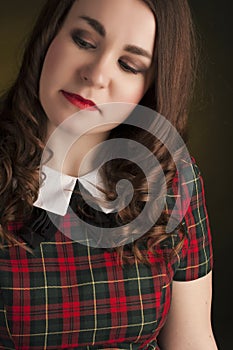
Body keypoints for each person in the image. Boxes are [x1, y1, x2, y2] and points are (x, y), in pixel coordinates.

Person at [0, 0, 218, 349]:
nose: (97, 74)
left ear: (149, 86)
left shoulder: (174, 180)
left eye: (129, 65)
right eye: (84, 41)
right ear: (49, 36)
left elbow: (193, 339)